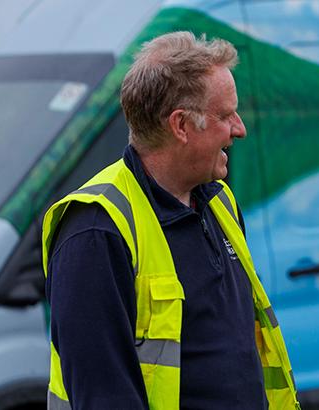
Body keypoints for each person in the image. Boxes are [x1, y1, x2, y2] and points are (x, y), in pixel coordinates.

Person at [42, 31, 299, 410]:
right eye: (226, 115)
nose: (239, 129)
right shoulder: (96, 232)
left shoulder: (219, 202)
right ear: (181, 126)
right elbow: (105, 398)